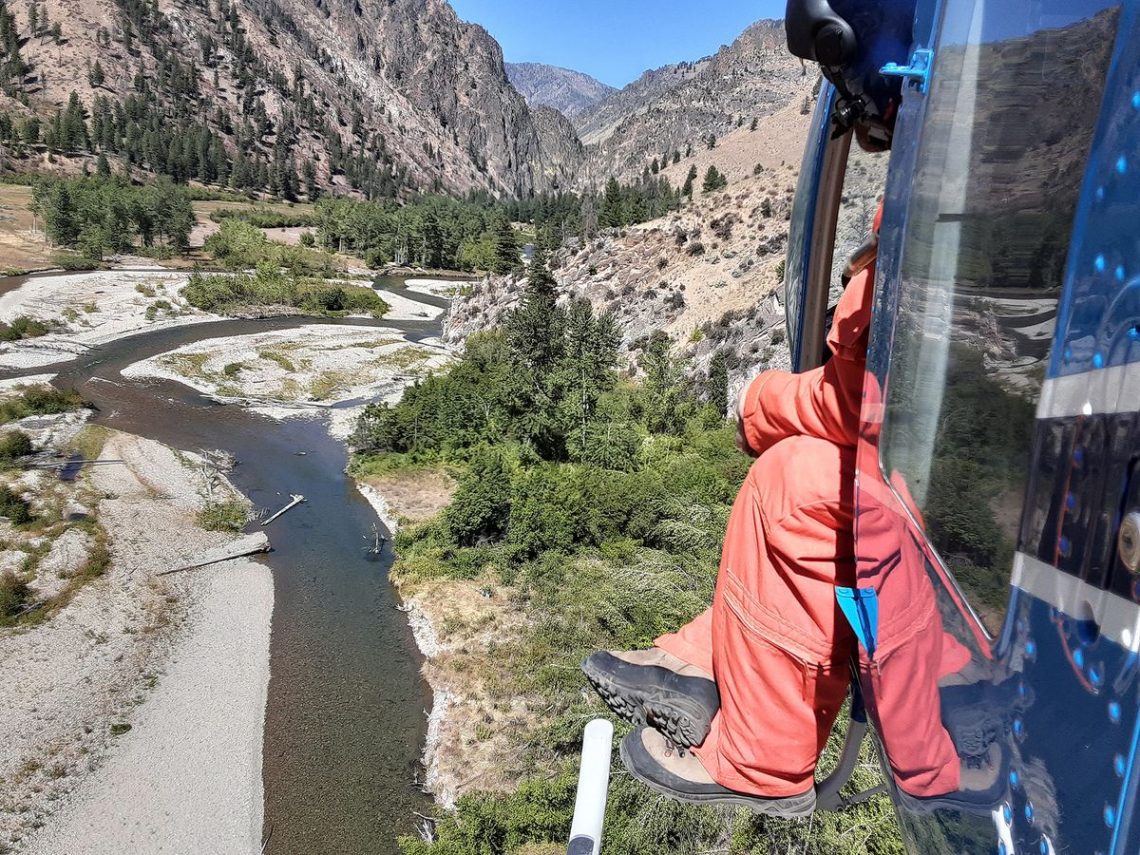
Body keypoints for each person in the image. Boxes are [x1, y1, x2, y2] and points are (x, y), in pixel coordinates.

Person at [582, 0, 1011, 815]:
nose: (866, 123)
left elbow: (869, 406)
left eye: (851, 92)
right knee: (811, 478)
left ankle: (766, 756)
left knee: (796, 485)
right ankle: (708, 662)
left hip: (955, 487)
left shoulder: (941, 191)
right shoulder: (965, 175)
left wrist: (762, 402)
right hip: (975, 470)